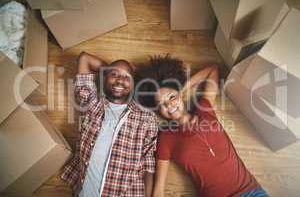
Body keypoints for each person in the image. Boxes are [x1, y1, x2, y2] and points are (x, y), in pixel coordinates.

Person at [137, 55, 268, 197]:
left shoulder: (204, 109)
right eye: (161, 104)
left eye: (171, 97)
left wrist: (183, 88)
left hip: (251, 192)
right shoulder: (166, 137)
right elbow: (158, 189)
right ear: (158, 110)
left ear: (180, 95)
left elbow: (212, 70)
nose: (169, 105)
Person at [61, 52, 158, 197]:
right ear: (104, 77)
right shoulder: (92, 103)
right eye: (114, 75)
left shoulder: (146, 117)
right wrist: (113, 74)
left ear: (133, 85)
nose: (120, 80)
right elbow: (84, 58)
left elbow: (148, 163)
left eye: (126, 77)